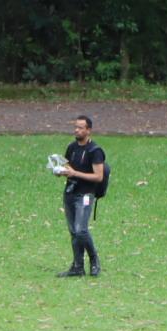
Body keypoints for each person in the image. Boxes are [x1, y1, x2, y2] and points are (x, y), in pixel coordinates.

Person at [56, 114, 106, 277]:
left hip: (85, 194)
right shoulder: (72, 148)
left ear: (88, 130)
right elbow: (68, 166)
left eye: (80, 128)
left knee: (81, 230)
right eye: (75, 127)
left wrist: (75, 173)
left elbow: (98, 176)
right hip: (70, 192)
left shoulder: (95, 151)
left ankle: (94, 260)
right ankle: (77, 266)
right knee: (73, 231)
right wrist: (61, 171)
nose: (76, 130)